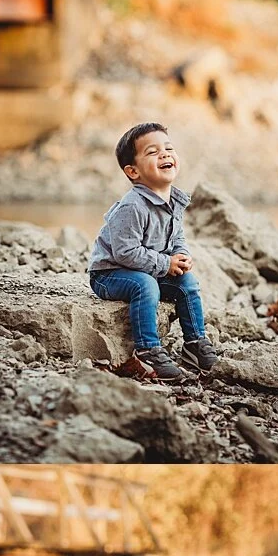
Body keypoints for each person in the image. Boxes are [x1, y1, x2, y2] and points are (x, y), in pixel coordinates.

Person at [89, 121, 219, 382]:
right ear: (133, 171)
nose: (164, 154)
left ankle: (195, 344)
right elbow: (125, 253)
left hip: (148, 267)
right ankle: (147, 350)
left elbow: (177, 236)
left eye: (168, 148)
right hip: (110, 273)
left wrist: (180, 257)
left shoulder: (174, 201)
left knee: (187, 282)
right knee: (146, 285)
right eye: (152, 151)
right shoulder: (132, 207)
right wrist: (164, 263)